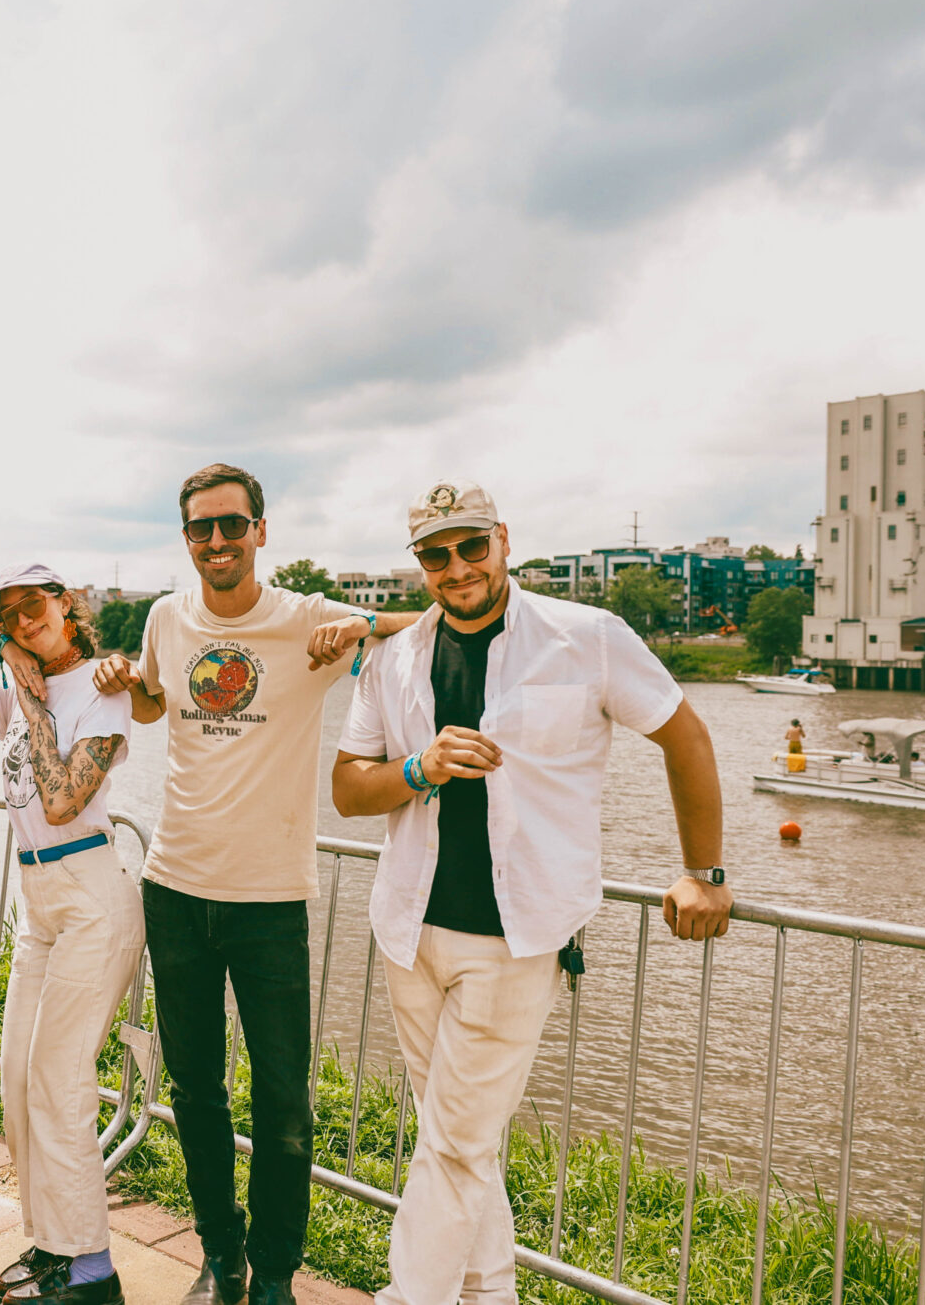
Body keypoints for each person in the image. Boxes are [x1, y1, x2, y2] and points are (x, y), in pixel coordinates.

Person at [331, 477, 732, 1305]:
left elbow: (686, 736)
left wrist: (704, 872)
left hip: (515, 940)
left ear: (504, 540)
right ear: (419, 565)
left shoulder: (587, 637)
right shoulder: (394, 658)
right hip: (409, 930)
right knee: (459, 1142)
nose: (457, 567)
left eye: (471, 545)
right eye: (436, 555)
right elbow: (347, 786)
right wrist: (420, 768)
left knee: (451, 1145)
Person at [93, 464, 419, 1305]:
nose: (217, 541)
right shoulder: (167, 616)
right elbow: (155, 704)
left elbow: (427, 624)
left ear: (260, 531)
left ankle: (274, 1272)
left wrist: (360, 623)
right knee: (195, 1090)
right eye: (200, 528)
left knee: (282, 1101)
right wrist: (127, 682)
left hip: (271, 897)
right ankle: (221, 1256)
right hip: (175, 886)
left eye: (232, 525)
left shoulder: (307, 618)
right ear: (186, 538)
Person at [0, 565, 142, 1305]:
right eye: (9, 613)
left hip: (91, 894)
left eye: (34, 605)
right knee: (19, 1078)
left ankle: (93, 1272)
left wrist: (29, 698)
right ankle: (56, 1242)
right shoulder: (15, 676)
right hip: (38, 898)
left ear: (66, 605)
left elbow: (60, 802)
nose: (25, 619)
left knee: (60, 1080)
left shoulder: (103, 689)